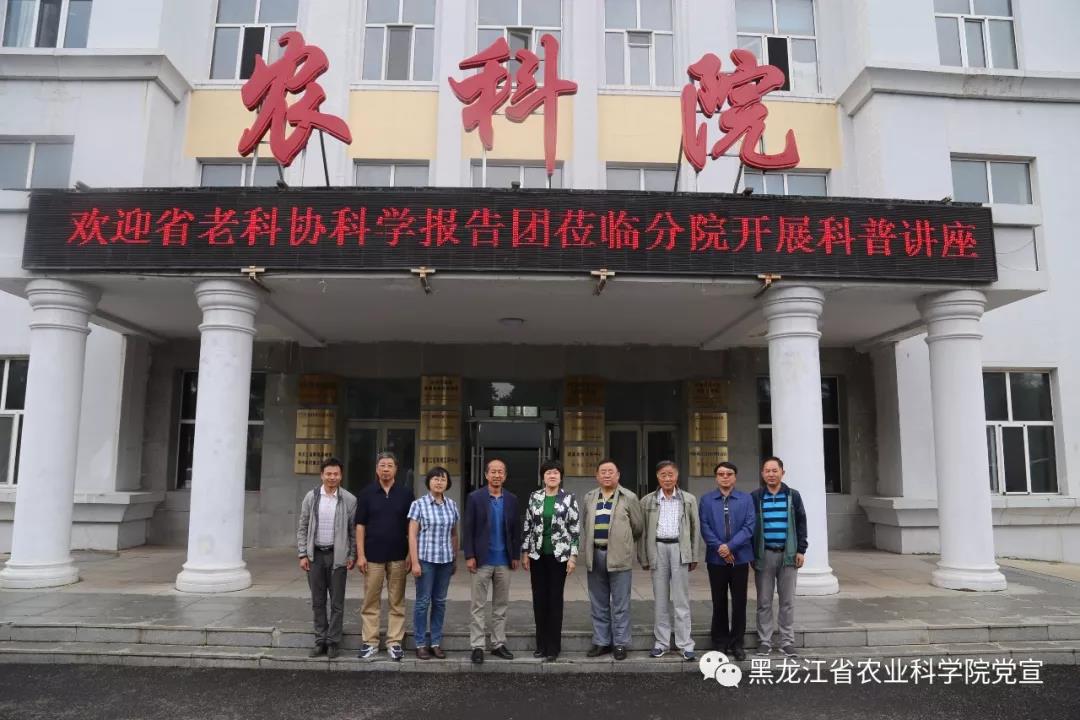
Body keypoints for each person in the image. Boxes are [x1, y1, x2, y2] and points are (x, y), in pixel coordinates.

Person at [581, 458, 643, 660]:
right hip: (595, 555)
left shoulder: (629, 497)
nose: (607, 475)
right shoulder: (589, 497)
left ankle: (620, 643)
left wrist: (622, 542)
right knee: (598, 602)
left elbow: (638, 527)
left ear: (618, 475)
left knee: (620, 603)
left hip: (619, 556)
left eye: (611, 471)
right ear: (597, 476)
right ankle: (601, 642)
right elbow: (585, 524)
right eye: (603, 472)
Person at [355, 451, 414, 660]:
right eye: (382, 465)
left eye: (390, 465)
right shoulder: (366, 493)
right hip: (372, 556)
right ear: (377, 469)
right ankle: (370, 641)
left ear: (396, 469)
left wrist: (411, 554)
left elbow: (412, 527)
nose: (386, 469)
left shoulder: (406, 494)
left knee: (397, 600)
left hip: (399, 555)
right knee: (370, 600)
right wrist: (360, 555)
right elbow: (360, 526)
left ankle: (394, 641)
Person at [638, 460, 700, 661]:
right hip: (658, 548)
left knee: (681, 599)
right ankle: (661, 642)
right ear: (657, 477)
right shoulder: (648, 501)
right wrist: (644, 556)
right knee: (661, 599)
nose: (667, 478)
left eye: (670, 474)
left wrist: (694, 555)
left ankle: (685, 644)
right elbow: (643, 531)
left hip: (679, 549)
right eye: (663, 475)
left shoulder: (688, 499)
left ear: (677, 476)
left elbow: (695, 528)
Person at [296, 457, 357, 659]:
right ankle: (320, 640)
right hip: (315, 556)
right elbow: (303, 526)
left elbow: (353, 532)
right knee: (318, 600)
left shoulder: (349, 499)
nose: (332, 477)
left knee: (337, 602)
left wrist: (352, 554)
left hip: (337, 556)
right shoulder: (311, 497)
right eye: (328, 474)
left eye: (336, 474)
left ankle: (333, 642)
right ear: (322, 475)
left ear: (341, 475)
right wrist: (303, 553)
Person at [462, 457, 520, 664]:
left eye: (500, 472)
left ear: (505, 475)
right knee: (478, 605)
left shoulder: (511, 499)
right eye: (493, 471)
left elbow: (516, 529)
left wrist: (515, 555)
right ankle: (477, 646)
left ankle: (498, 644)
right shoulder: (475, 498)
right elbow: (468, 528)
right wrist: (469, 555)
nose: (496, 475)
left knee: (500, 605)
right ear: (486, 475)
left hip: (504, 560)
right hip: (481, 560)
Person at [521, 460, 580, 662]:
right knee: (539, 599)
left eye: (555, 472)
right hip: (537, 555)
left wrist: (573, 556)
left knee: (555, 600)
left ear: (561, 476)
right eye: (548, 473)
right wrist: (525, 551)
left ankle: (553, 647)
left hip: (559, 556)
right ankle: (541, 645)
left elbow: (574, 529)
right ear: (543, 477)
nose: (552, 476)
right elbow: (528, 525)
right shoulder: (535, 497)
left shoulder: (569, 498)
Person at [751, 456, 807, 658]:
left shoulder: (793, 496)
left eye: (775, 470)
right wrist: (751, 553)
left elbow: (801, 523)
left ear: (783, 472)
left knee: (787, 601)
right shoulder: (756, 496)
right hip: (764, 554)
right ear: (762, 473)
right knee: (764, 601)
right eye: (767, 471)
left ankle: (786, 641)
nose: (771, 474)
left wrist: (801, 550)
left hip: (788, 554)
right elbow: (751, 526)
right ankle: (765, 642)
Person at [699, 461, 756, 661]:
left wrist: (730, 547)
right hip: (716, 559)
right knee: (719, 601)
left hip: (740, 558)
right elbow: (705, 526)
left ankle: (737, 643)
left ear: (735, 477)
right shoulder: (707, 500)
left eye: (729, 474)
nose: (725, 477)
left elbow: (749, 526)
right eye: (721, 474)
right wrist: (721, 548)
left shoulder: (746, 499)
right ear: (716, 477)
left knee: (739, 602)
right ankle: (720, 642)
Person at [407, 466, 459, 660]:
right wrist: (415, 562)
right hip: (425, 560)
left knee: (439, 602)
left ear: (447, 483)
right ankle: (420, 644)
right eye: (435, 479)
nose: (439, 482)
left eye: (443, 479)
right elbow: (412, 535)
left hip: (445, 561)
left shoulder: (452, 505)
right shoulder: (418, 504)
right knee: (422, 602)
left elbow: (454, 534)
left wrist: (454, 558)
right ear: (428, 482)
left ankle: (435, 642)